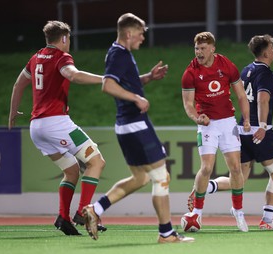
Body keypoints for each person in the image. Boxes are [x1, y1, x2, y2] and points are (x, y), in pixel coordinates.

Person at [81, 13, 194, 243]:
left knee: (141, 177)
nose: (143, 38)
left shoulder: (121, 54)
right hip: (135, 124)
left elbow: (124, 82)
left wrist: (148, 78)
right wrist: (135, 97)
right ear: (129, 33)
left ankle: (96, 209)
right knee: (161, 176)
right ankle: (166, 233)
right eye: (141, 33)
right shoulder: (118, 54)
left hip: (126, 125)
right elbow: (108, 84)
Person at [8, 20, 107, 236]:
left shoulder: (35, 58)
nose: (69, 42)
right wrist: (104, 79)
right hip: (56, 123)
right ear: (63, 38)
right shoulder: (61, 57)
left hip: (36, 128)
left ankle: (63, 217)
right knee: (96, 161)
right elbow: (73, 75)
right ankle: (83, 211)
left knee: (71, 171)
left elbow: (18, 85)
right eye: (68, 38)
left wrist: (13, 113)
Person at [188, 34, 273, 230]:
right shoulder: (266, 73)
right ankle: (267, 220)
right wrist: (263, 126)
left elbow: (240, 96)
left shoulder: (247, 70)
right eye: (272, 49)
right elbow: (262, 99)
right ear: (265, 52)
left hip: (241, 129)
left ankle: (206, 187)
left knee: (239, 177)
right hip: (258, 130)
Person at [181, 31, 251, 232]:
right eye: (196, 48)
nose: (199, 52)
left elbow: (241, 95)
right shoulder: (190, 73)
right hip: (207, 124)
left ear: (212, 48)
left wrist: (246, 119)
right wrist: (197, 117)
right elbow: (188, 104)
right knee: (206, 168)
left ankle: (238, 211)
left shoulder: (226, 65)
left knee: (236, 168)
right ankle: (197, 214)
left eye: (203, 48)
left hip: (228, 122)